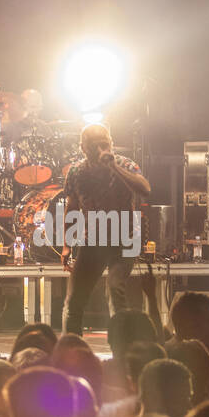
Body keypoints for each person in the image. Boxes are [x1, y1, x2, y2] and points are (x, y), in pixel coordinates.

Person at [59, 124, 150, 335]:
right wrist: (66, 246)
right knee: (74, 301)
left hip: (125, 239)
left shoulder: (125, 164)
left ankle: (121, 345)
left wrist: (114, 168)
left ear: (111, 144)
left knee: (115, 287)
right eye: (95, 147)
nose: (102, 151)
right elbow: (71, 209)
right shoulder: (76, 172)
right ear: (84, 148)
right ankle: (71, 348)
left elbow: (145, 189)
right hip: (93, 242)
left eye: (105, 145)